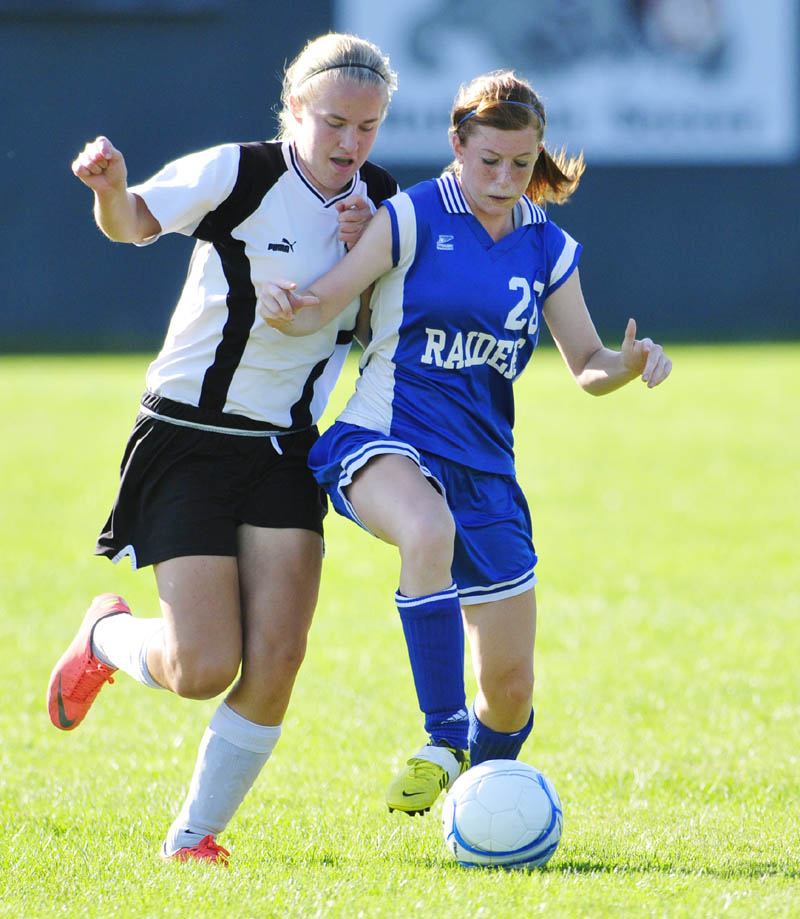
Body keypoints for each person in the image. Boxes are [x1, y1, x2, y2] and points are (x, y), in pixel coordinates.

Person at [258, 70, 673, 817]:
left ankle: (474, 799)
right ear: (457, 143)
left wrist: (629, 365)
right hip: (384, 440)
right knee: (427, 529)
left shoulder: (548, 244)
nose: (505, 178)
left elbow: (586, 365)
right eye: (489, 161)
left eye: (521, 163)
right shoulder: (411, 215)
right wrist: (289, 307)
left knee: (511, 694)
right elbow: (331, 292)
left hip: (487, 473)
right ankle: (442, 736)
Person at [46, 32, 398, 864]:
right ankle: (104, 636)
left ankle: (193, 838)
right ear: (295, 112)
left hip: (284, 448)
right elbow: (131, 224)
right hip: (188, 436)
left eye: (369, 128)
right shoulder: (237, 172)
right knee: (203, 666)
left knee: (278, 655)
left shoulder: (381, 204)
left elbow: (384, 323)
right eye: (336, 124)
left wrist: (363, 255)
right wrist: (111, 187)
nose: (351, 145)